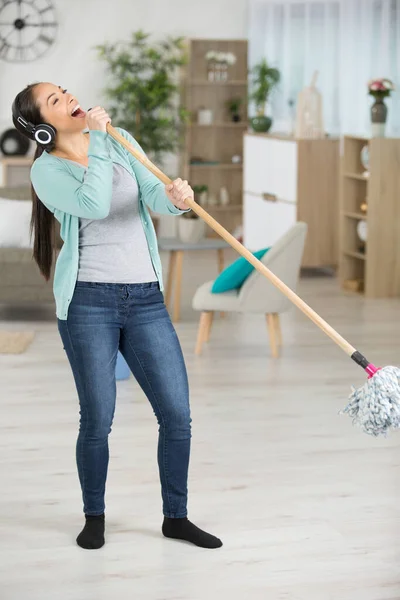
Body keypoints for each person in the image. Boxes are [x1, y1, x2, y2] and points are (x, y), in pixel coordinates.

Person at [12, 82, 222, 551]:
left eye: (64, 90)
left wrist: (177, 197)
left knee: (177, 415)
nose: (68, 97)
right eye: (54, 100)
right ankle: (94, 516)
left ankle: (176, 517)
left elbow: (154, 197)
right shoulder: (47, 172)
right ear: (40, 128)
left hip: (145, 297)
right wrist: (102, 140)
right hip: (89, 303)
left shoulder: (120, 138)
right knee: (98, 418)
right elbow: (95, 203)